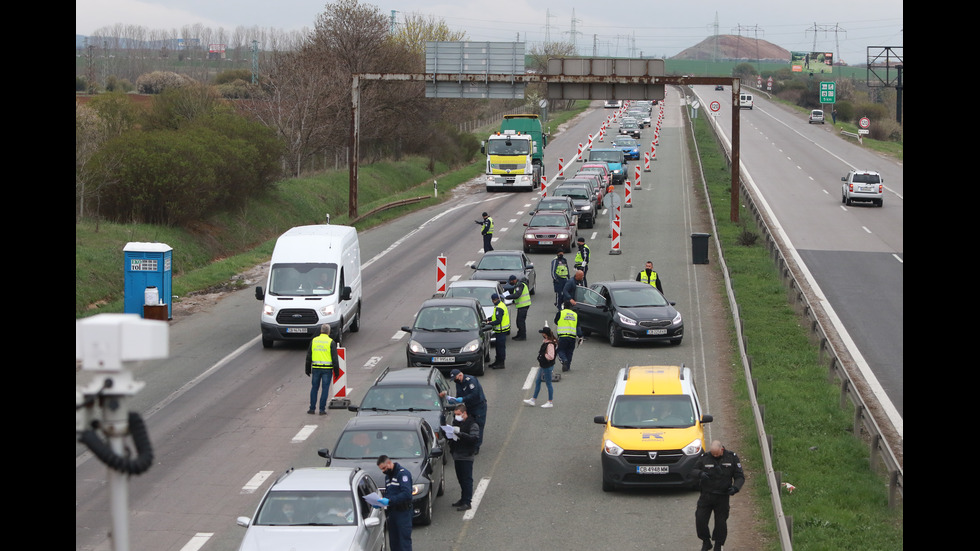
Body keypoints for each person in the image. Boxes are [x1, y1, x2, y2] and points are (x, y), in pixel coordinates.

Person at [693, 440, 745, 551]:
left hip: (722, 496)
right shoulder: (705, 457)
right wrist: (700, 474)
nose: (715, 456)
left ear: (722, 449)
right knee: (700, 520)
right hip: (706, 496)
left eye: (717, 454)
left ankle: (718, 544)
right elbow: (693, 470)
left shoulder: (731, 458)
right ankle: (706, 541)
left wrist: (735, 488)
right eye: (713, 454)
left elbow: (740, 476)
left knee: (721, 523)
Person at [440, 369, 487, 454]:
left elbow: (474, 394)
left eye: (455, 378)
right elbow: (459, 396)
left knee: (478, 425)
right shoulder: (459, 384)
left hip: (479, 406)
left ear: (460, 375)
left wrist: (462, 399)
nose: (455, 380)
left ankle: (476, 446)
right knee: (468, 424)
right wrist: (451, 399)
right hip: (469, 406)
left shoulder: (471, 381)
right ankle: (468, 442)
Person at [448, 403, 481, 511]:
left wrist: (460, 434)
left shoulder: (472, 424)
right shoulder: (456, 422)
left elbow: (474, 439)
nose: (456, 416)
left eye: (458, 414)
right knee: (460, 478)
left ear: (464, 413)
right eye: (455, 414)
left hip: (466, 455)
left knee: (467, 479)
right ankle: (463, 499)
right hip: (457, 454)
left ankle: (467, 501)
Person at [377, 455, 414, 551]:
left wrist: (389, 501)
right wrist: (382, 502)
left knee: (404, 542)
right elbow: (390, 493)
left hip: (403, 512)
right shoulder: (388, 477)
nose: (383, 471)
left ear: (389, 463)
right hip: (392, 513)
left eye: (384, 468)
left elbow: (407, 494)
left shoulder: (402, 474)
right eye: (381, 469)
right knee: (394, 543)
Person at [305, 324, 338, 415]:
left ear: (321, 331)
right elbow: (335, 358)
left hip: (315, 368)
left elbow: (309, 356)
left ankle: (312, 409)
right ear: (329, 332)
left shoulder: (314, 341)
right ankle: (322, 410)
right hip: (327, 370)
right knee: (325, 389)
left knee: (314, 388)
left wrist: (307, 369)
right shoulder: (331, 342)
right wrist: (336, 371)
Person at [524, 327, 556, 407]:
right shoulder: (547, 342)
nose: (541, 334)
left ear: (545, 334)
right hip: (543, 365)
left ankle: (550, 402)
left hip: (547, 366)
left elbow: (551, 356)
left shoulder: (550, 344)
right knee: (538, 381)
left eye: (542, 333)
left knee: (548, 383)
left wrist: (544, 355)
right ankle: (533, 400)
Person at [554, 301, 578, 372]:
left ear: (564, 307)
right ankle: (567, 367)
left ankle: (564, 360)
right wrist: (580, 336)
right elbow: (578, 326)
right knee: (569, 352)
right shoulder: (575, 314)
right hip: (572, 337)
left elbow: (555, 321)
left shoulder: (560, 313)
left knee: (559, 350)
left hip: (563, 336)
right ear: (571, 307)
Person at [487, 293, 510, 369]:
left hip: (501, 331)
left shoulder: (499, 308)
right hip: (500, 331)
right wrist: (488, 319)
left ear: (493, 300)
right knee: (498, 347)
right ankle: (497, 361)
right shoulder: (500, 305)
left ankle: (501, 363)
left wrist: (490, 324)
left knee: (500, 348)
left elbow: (498, 320)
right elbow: (495, 317)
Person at [505, 274, 531, 340]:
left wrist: (507, 297)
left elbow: (517, 295)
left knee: (520, 321)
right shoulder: (519, 285)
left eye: (511, 281)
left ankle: (522, 336)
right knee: (519, 321)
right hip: (522, 306)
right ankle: (519, 334)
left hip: (523, 305)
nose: (510, 283)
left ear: (514, 280)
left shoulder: (520, 285)